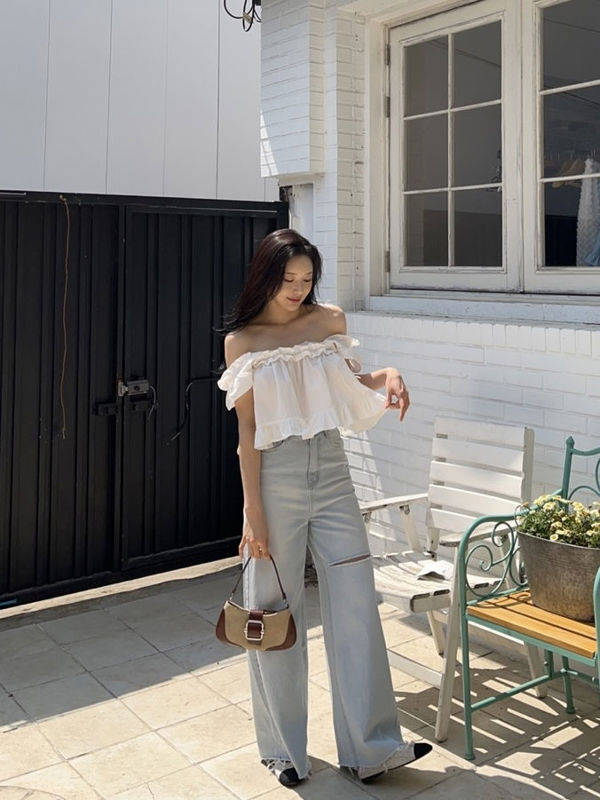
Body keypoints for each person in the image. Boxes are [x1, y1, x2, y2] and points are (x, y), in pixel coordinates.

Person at [217, 228, 432, 788]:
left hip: (334, 472)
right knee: (273, 614)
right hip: (275, 480)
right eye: (287, 279)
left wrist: (388, 374)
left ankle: (373, 749)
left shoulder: (330, 321)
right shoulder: (242, 341)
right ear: (265, 277)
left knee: (357, 603)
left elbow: (346, 383)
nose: (297, 289)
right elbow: (247, 431)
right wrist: (254, 514)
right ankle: (283, 751)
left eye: (306, 278)